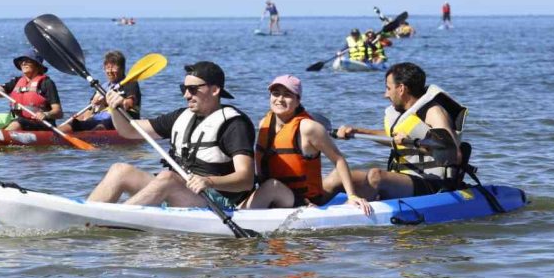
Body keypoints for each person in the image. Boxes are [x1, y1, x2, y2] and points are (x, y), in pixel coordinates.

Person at [87, 61, 256, 209]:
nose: (186, 95)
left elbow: (246, 179)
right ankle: (87, 216)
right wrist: (116, 109)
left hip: (216, 200)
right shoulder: (181, 116)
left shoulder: (234, 125)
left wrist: (209, 181)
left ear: (214, 90)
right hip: (178, 190)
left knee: (168, 178)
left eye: (192, 89)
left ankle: (114, 219)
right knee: (120, 170)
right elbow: (129, 131)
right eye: (184, 88)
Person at [324, 62, 466, 201]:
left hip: (431, 183)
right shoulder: (403, 113)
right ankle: (308, 204)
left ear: (401, 88)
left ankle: (354, 211)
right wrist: (357, 131)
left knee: (376, 175)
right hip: (402, 179)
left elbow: (454, 154)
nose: (385, 94)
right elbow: (392, 138)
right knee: (339, 175)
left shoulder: (434, 112)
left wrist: (411, 143)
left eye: (388, 88)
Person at [240, 75, 372, 215]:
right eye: (275, 93)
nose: (279, 99)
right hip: (278, 193)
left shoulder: (309, 128)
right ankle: (239, 211)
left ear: (298, 101)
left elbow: (338, 159)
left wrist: (351, 196)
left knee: (271, 186)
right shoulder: (263, 124)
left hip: (303, 199)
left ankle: (239, 217)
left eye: (287, 95)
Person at [58, 50, 141, 133]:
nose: (110, 71)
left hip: (120, 120)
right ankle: (54, 134)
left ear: (122, 68)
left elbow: (130, 103)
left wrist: (108, 101)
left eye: (113, 67)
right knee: (73, 124)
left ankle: (91, 139)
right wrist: (77, 120)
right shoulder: (103, 87)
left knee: (101, 125)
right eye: (107, 68)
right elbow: (89, 110)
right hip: (99, 119)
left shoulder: (130, 83)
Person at [0, 48, 63, 131]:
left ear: (37, 65)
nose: (23, 63)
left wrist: (46, 114)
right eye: (21, 61)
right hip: (20, 121)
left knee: (17, 123)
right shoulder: (16, 81)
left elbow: (58, 112)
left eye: (28, 61)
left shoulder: (47, 83)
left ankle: (2, 136)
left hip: (42, 124)